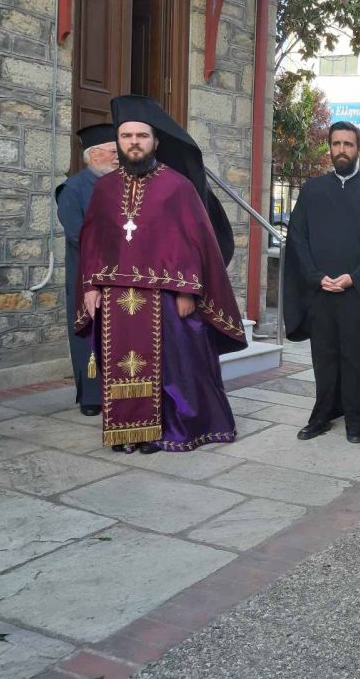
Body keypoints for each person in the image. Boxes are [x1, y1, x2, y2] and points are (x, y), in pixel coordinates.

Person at [76, 95, 246, 453]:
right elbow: (92, 241)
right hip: (116, 298)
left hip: (167, 296)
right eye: (126, 136)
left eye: (141, 136)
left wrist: (189, 291)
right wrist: (90, 286)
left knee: (174, 367)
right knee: (122, 367)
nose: (134, 142)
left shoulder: (177, 187)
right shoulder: (104, 190)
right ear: (118, 142)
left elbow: (193, 242)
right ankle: (127, 431)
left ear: (155, 141)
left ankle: (165, 430)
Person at [283, 121, 360, 444]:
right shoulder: (312, 191)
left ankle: (355, 420)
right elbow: (297, 238)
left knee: (354, 357)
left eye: (348, 145)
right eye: (336, 144)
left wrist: (356, 277)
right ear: (329, 148)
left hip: (358, 291)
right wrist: (314, 276)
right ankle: (321, 416)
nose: (342, 150)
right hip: (321, 290)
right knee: (323, 356)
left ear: (358, 150)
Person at [56, 124, 117, 416]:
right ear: (94, 155)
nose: (119, 157)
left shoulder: (122, 184)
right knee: (88, 333)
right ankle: (92, 396)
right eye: (114, 151)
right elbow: (76, 234)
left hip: (120, 276)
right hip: (87, 275)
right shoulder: (72, 189)